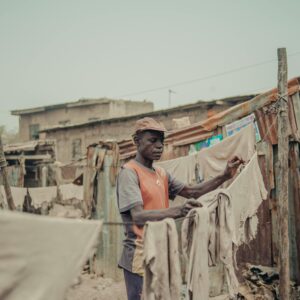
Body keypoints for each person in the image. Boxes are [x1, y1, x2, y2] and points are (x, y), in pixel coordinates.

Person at [116, 117, 243, 300]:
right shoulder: (129, 172)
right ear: (137, 141)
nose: (159, 145)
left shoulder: (161, 173)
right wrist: (179, 211)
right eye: (153, 140)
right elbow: (138, 216)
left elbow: (192, 191)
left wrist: (224, 175)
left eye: (162, 141)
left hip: (162, 249)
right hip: (139, 254)